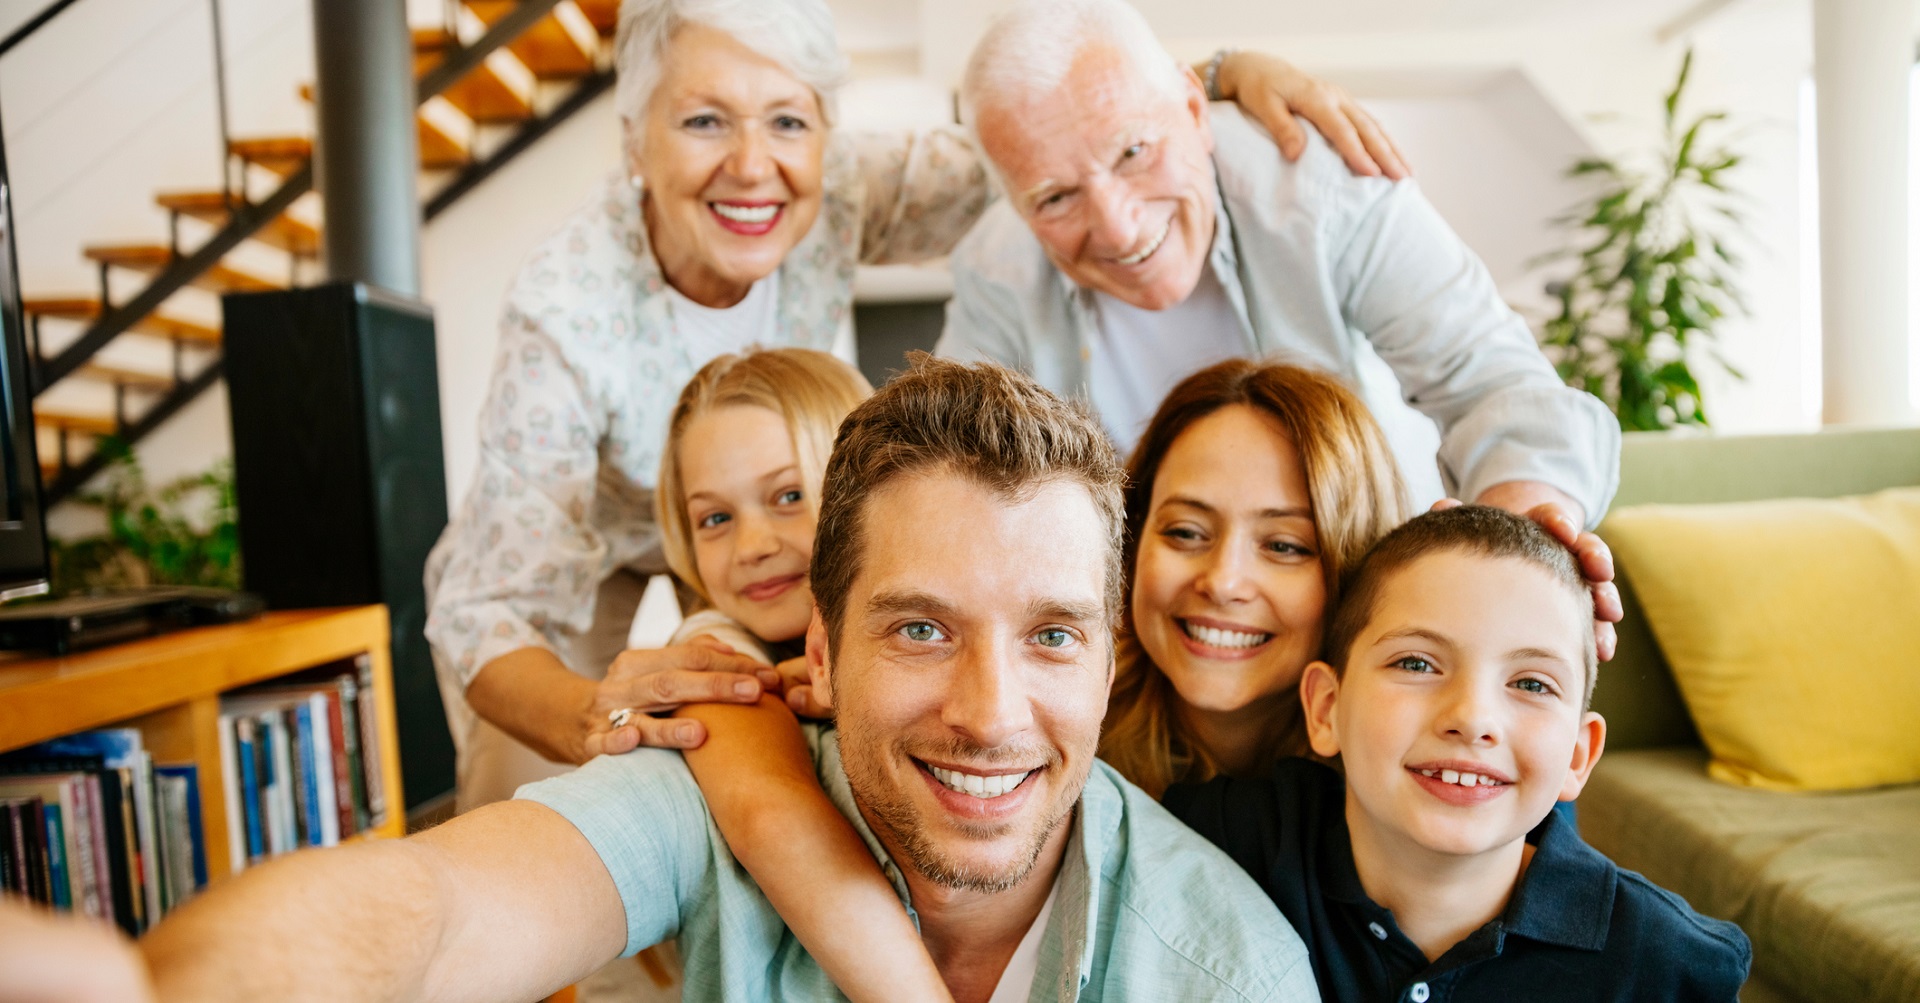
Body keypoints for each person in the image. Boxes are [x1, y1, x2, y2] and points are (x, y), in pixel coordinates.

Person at [34, 358, 1313, 1003]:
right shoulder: (713, 772)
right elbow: (433, 909)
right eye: (919, 629)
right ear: (815, 647)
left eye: (1049, 636)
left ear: (1108, 657)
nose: (988, 710)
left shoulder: (1228, 967)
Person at [424, 0, 1425, 815]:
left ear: (823, 131)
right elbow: (489, 609)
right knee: (544, 796)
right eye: (701, 121)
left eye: (786, 120)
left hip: (765, 527)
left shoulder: (836, 188)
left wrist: (1217, 73)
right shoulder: (567, 310)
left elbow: (1052, 130)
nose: (750, 164)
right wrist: (590, 712)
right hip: (582, 557)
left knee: (780, 756)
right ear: (634, 139)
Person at [935, 1, 1625, 618]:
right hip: (1156, 642)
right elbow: (954, 470)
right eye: (1055, 198)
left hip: (1365, 595)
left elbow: (1495, 385)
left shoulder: (1322, 187)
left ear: (1196, 110)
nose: (1117, 228)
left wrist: (1524, 537)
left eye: (1134, 152)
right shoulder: (998, 264)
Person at [1165, 505, 1752, 999]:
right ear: (1326, 709)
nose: (1472, 719)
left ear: (1578, 755)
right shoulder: (1225, 838)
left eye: (1530, 684)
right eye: (1416, 664)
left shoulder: (1666, 965)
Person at [1098, 360, 1410, 797]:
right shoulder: (1057, 735)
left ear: (1357, 571)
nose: (1223, 582)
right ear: (1130, 544)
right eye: (1185, 532)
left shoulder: (1409, 779)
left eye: (1283, 546)